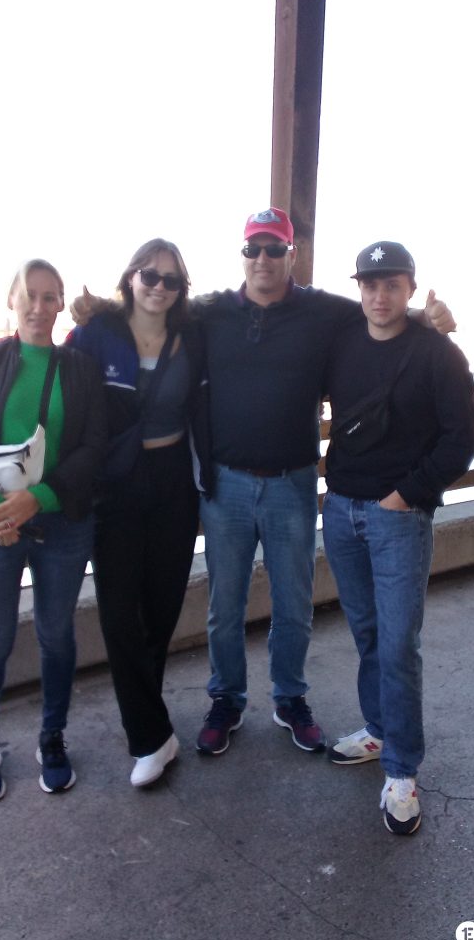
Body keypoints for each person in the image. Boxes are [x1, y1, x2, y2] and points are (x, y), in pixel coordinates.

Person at [71, 210, 454, 761]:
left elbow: (382, 310)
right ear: (242, 255)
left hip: (292, 484)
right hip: (225, 486)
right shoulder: (211, 312)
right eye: (253, 249)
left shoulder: (324, 312)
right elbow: (153, 304)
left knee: (294, 604)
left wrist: (427, 314)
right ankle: (225, 700)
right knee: (224, 606)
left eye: (275, 249)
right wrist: (99, 308)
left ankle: (290, 699)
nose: (263, 260)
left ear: (291, 254)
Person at [0, 259, 107, 802]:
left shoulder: (78, 368)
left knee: (57, 636)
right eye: (29, 295)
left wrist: (40, 498)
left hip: (60, 523)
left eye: (50, 296)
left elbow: (93, 447)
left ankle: (51, 737)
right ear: (12, 301)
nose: (39, 305)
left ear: (60, 305)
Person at [322, 240, 474, 834]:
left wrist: (404, 495)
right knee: (366, 632)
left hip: (398, 518)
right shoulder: (342, 341)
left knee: (398, 644)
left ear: (411, 287)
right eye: (370, 284)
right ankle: (378, 729)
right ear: (358, 289)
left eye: (392, 285)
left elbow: (461, 440)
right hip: (339, 511)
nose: (379, 295)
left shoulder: (438, 353)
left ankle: (402, 769)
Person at [68, 239, 207, 788]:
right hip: (116, 484)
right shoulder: (96, 332)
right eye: (149, 275)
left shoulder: (193, 334)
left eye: (170, 279)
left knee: (163, 605)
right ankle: (150, 737)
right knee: (119, 612)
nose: (158, 286)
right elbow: (61, 395)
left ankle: (152, 727)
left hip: (174, 481)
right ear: (130, 278)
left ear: (181, 290)